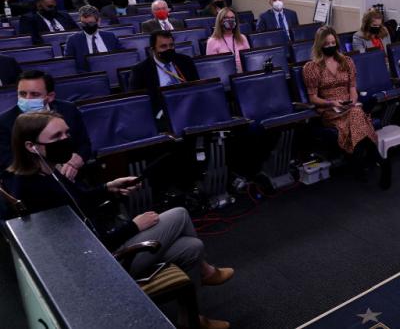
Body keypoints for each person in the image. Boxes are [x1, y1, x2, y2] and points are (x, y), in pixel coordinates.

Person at [3, 111, 233, 329]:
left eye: (66, 133)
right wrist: (133, 226)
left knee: (193, 246)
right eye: (57, 136)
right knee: (180, 214)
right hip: (100, 265)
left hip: (101, 248)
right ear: (31, 146)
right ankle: (206, 273)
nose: (66, 140)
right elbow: (84, 246)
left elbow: (79, 199)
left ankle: (191, 319)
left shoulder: (46, 170)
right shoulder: (34, 190)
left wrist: (109, 187)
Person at [302, 27, 391, 189]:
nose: (330, 45)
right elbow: (313, 97)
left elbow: (352, 88)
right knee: (358, 115)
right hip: (329, 110)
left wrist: (352, 100)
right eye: (327, 43)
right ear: (319, 45)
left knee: (356, 111)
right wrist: (331, 103)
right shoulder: (311, 68)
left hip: (348, 105)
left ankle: (360, 160)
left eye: (333, 42)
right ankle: (379, 161)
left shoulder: (346, 61)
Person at [0, 70, 91, 178]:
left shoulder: (68, 109)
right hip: (32, 181)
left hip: (74, 175)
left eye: (35, 94)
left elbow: (84, 144)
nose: (27, 99)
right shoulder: (4, 122)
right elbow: (8, 162)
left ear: (50, 96)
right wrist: (50, 169)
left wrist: (78, 159)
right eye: (22, 94)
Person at [130, 30, 199, 117]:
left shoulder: (185, 61)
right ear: (152, 50)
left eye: (171, 45)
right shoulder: (141, 70)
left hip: (190, 107)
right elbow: (139, 103)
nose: (168, 49)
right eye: (163, 46)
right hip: (163, 113)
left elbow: (197, 86)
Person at [64, 5, 121, 72]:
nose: (87, 26)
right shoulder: (73, 40)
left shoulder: (110, 37)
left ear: (98, 21)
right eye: (84, 23)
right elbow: (69, 66)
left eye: (91, 23)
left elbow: (120, 58)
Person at [205, 7, 250, 73]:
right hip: (224, 72)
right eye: (226, 18)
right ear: (220, 21)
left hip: (243, 73)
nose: (230, 20)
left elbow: (248, 60)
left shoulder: (242, 38)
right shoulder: (212, 41)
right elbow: (212, 67)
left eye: (232, 18)